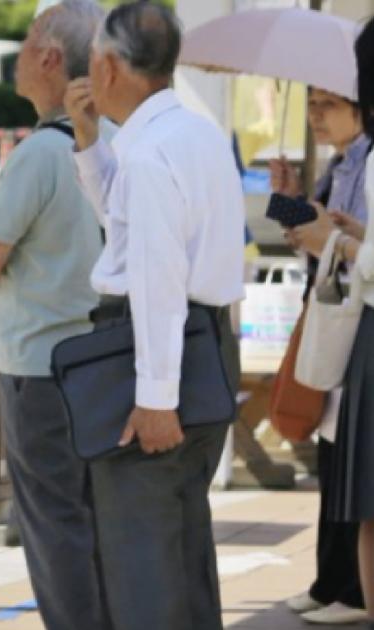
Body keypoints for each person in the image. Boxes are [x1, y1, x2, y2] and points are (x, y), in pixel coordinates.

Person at [63, 4, 246, 629]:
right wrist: (91, 144)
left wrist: (155, 395)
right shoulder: (194, 134)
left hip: (152, 348)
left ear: (111, 66)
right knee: (182, 544)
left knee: (140, 556)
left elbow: (155, 278)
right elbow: (131, 232)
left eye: (91, 61)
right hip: (206, 343)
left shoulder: (147, 155)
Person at [0, 2, 108, 629]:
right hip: (103, 356)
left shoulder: (38, 155)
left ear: (50, 57)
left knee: (53, 522)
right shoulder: (112, 142)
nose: (21, 54)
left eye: (27, 42)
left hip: (37, 364)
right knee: (97, 513)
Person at [274, 87, 370, 626]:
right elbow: (308, 238)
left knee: (352, 460)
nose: (315, 115)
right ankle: (330, 580)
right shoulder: (339, 166)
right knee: (333, 454)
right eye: (311, 104)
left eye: (328, 105)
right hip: (333, 316)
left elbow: (348, 249)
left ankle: (354, 591)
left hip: (357, 323)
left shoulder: (367, 163)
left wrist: (324, 236)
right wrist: (287, 197)